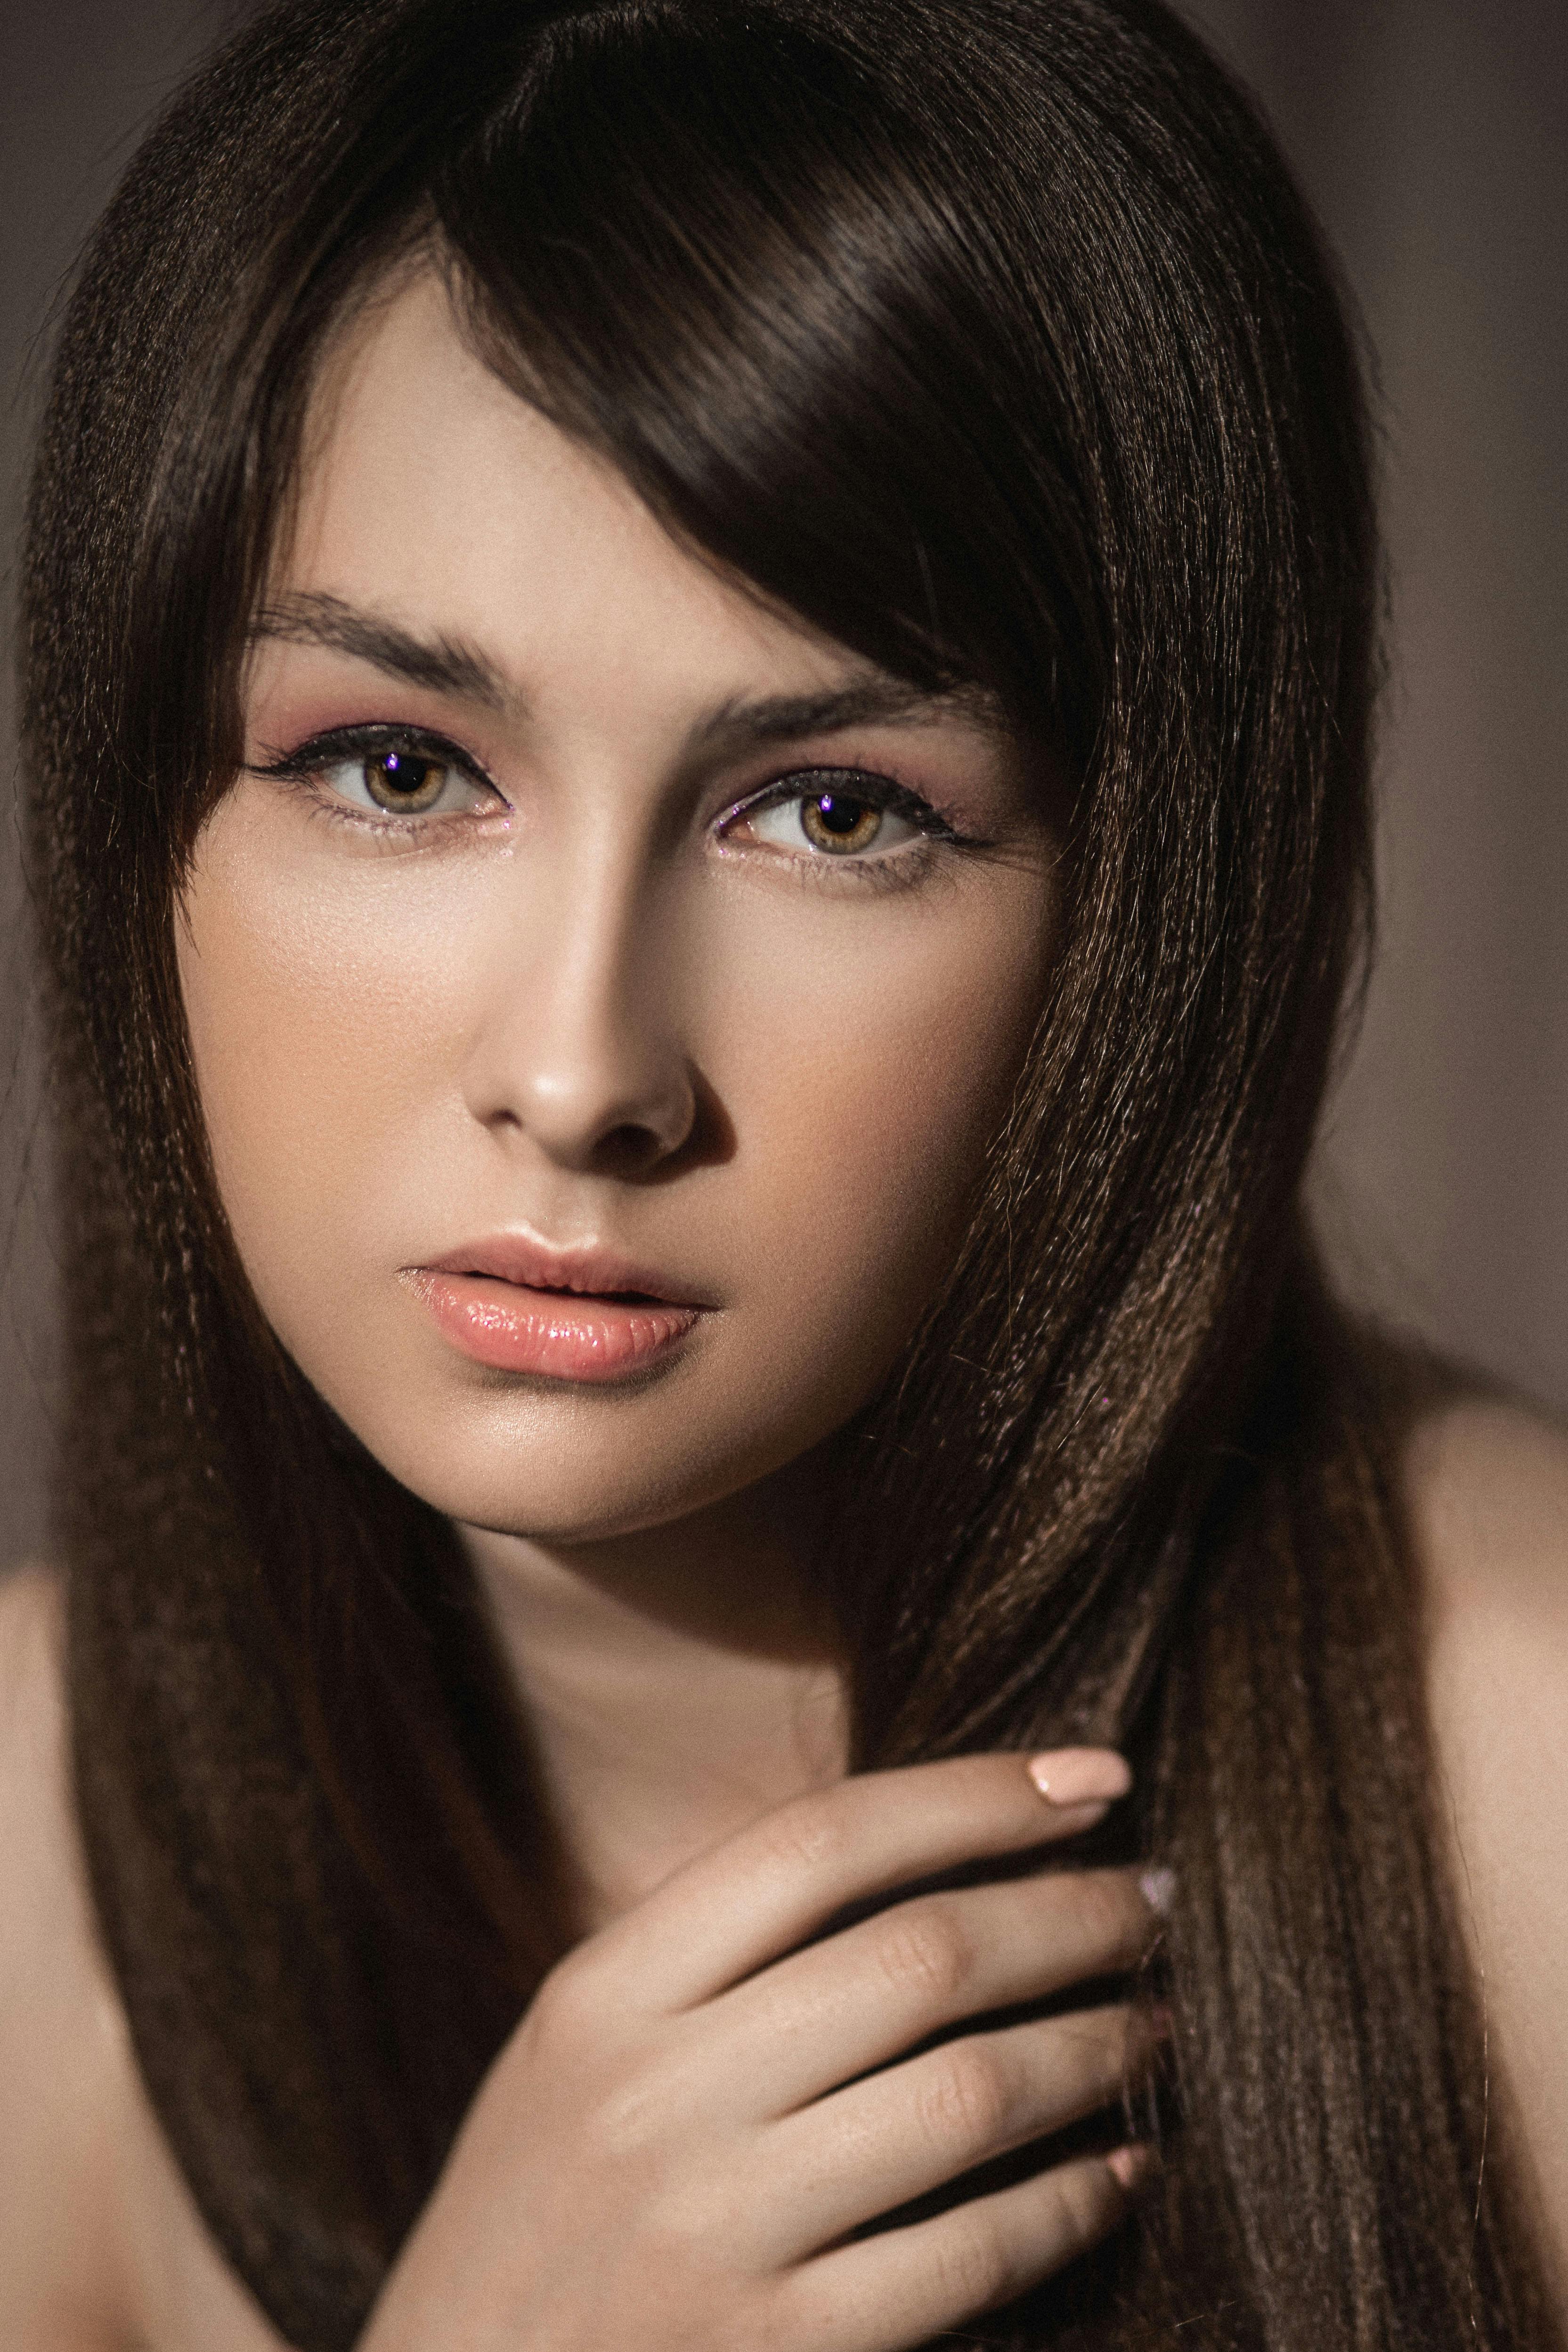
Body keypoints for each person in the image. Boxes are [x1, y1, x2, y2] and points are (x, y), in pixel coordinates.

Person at [3, 0, 1565, 2345]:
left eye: (835, 811)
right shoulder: (32, 1855)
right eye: (399, 768)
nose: (576, 1070)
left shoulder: (1520, 1784)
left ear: (1149, 910)